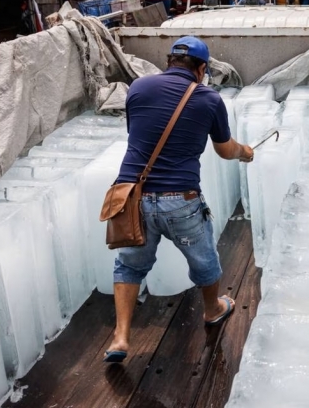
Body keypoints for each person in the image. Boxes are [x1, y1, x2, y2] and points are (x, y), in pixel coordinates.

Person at [104, 37, 255, 363]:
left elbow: (139, 135)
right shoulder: (209, 99)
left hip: (133, 198)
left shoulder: (138, 88)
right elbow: (224, 149)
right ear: (201, 69)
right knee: (205, 260)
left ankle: (120, 336)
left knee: (129, 265)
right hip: (180, 200)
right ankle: (213, 309)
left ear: (169, 61)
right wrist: (246, 152)